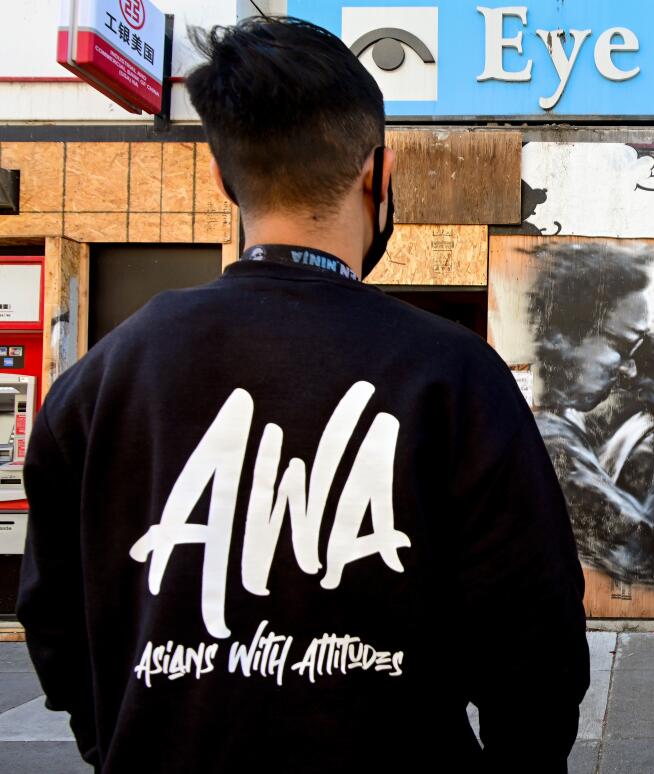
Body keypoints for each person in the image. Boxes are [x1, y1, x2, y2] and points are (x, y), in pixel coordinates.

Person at [17, 17, 587, 772]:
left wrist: (120, 743)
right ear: (378, 176)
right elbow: (536, 648)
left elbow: (55, 628)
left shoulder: (95, 385)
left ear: (223, 179)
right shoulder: (454, 376)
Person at [529, 243, 654, 586]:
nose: (629, 370)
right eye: (620, 346)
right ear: (564, 336)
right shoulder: (551, 441)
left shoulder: (562, 424)